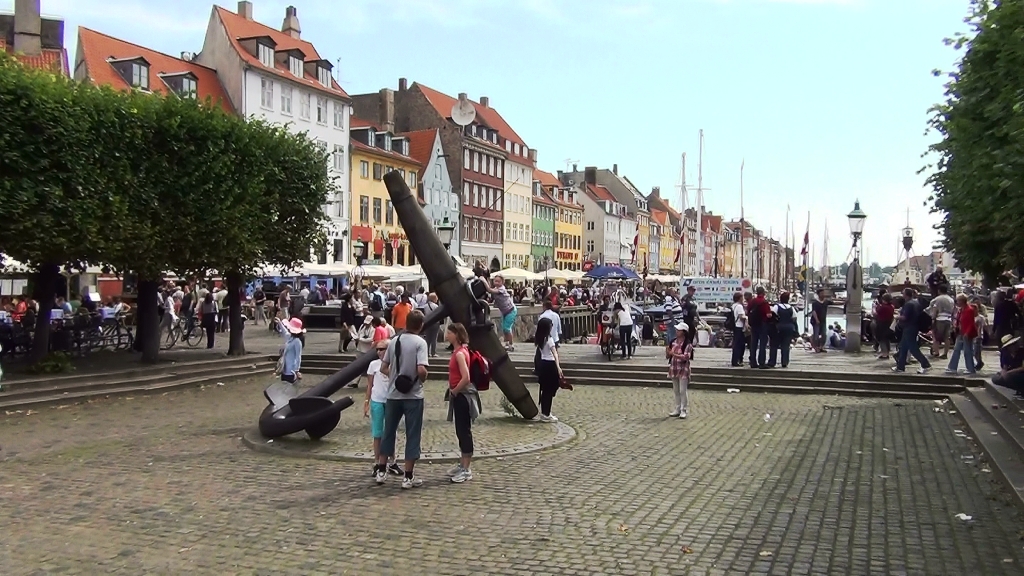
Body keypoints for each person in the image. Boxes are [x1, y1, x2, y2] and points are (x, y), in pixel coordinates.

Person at [375, 310, 429, 489]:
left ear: (406, 322)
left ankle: (381, 471)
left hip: (393, 394)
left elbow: (384, 367)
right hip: (413, 395)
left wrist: (396, 379)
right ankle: (408, 476)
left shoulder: (394, 341)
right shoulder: (420, 343)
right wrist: (420, 379)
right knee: (412, 433)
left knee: (388, 431)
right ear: (421, 325)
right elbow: (421, 369)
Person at [445, 323, 480, 483]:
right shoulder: (459, 351)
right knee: (460, 431)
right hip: (458, 395)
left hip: (462, 396)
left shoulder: (460, 354)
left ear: (456, 335)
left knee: (464, 431)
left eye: (449, 332)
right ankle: (462, 464)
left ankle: (466, 469)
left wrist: (455, 391)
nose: (447, 334)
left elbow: (466, 377)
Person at [363, 340, 402, 477]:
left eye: (382, 349)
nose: (379, 352)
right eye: (378, 350)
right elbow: (370, 385)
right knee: (378, 433)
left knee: (391, 432)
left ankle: (392, 461)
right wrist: (367, 402)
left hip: (392, 401)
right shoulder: (373, 365)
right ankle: (377, 462)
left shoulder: (395, 364)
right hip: (377, 400)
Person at [894, 287, 931, 374]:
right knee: (903, 347)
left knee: (913, 347)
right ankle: (900, 366)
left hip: (909, 327)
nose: (902, 295)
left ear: (906, 295)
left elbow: (904, 317)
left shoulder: (908, 304)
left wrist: (896, 317)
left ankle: (925, 364)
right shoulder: (916, 302)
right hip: (914, 326)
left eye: (903, 293)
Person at [534, 317, 563, 422]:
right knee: (550, 390)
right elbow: (555, 354)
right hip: (550, 364)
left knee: (545, 390)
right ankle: (546, 414)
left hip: (543, 364)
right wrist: (558, 367)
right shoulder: (549, 339)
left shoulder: (540, 339)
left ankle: (544, 412)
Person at [946, 294, 978, 375]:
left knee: (968, 351)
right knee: (956, 350)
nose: (957, 302)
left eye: (958, 300)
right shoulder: (961, 310)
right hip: (960, 332)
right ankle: (952, 367)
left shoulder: (969, 310)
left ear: (962, 301)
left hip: (966, 333)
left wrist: (967, 333)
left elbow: (971, 323)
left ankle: (970, 369)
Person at [667, 321, 693, 419]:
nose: (677, 331)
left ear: (683, 332)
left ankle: (683, 409)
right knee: (676, 390)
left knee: (683, 390)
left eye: (679, 330)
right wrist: (668, 353)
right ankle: (677, 408)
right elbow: (669, 355)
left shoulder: (687, 344)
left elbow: (686, 357)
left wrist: (674, 354)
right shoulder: (673, 342)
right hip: (674, 367)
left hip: (683, 368)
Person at [486, 275, 518, 352]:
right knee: (504, 328)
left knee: (507, 328)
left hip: (511, 310)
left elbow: (490, 290)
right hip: (505, 312)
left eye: (498, 281)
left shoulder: (502, 289)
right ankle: (507, 343)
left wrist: (484, 281)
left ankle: (511, 344)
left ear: (502, 282)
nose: (496, 283)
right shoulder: (496, 288)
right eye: (495, 281)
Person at [769, 292, 797, 368]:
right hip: (789, 327)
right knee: (786, 345)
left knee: (774, 345)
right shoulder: (791, 308)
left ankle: (772, 362)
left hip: (778, 327)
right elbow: (794, 318)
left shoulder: (776, 307)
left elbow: (772, 316)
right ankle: (784, 362)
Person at [928, 284, 955, 359]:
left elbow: (934, 309)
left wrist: (933, 318)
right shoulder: (951, 300)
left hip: (939, 319)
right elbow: (953, 311)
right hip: (948, 319)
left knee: (935, 336)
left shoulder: (937, 299)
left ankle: (936, 352)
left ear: (939, 290)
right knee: (947, 337)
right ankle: (945, 353)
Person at [276, 317, 305, 383]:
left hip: (291, 370)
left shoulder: (297, 342)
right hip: (284, 368)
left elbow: (298, 357)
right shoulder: (290, 337)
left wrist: (297, 370)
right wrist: (279, 322)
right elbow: (284, 332)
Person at [747, 287, 771, 368]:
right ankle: (761, 362)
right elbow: (768, 314)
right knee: (762, 344)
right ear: (763, 292)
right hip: (762, 324)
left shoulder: (752, 301)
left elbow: (748, 311)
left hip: (753, 324)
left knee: (753, 343)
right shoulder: (764, 302)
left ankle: (753, 362)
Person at [874, 292, 896, 360]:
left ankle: (884, 354)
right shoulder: (892, 306)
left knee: (881, 339)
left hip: (882, 323)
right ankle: (887, 352)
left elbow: (875, 313)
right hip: (888, 323)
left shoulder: (883, 307)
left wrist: (874, 307)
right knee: (886, 339)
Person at [730, 292, 747, 367]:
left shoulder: (733, 305)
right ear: (740, 298)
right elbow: (741, 317)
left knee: (736, 344)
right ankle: (737, 360)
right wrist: (746, 317)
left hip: (735, 326)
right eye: (742, 297)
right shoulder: (739, 306)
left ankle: (734, 360)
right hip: (739, 327)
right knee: (740, 345)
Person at [422, 293, 441, 357]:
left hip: (427, 323)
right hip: (435, 323)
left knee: (427, 338)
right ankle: (433, 352)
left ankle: (426, 353)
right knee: (434, 338)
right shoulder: (436, 306)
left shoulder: (425, 306)